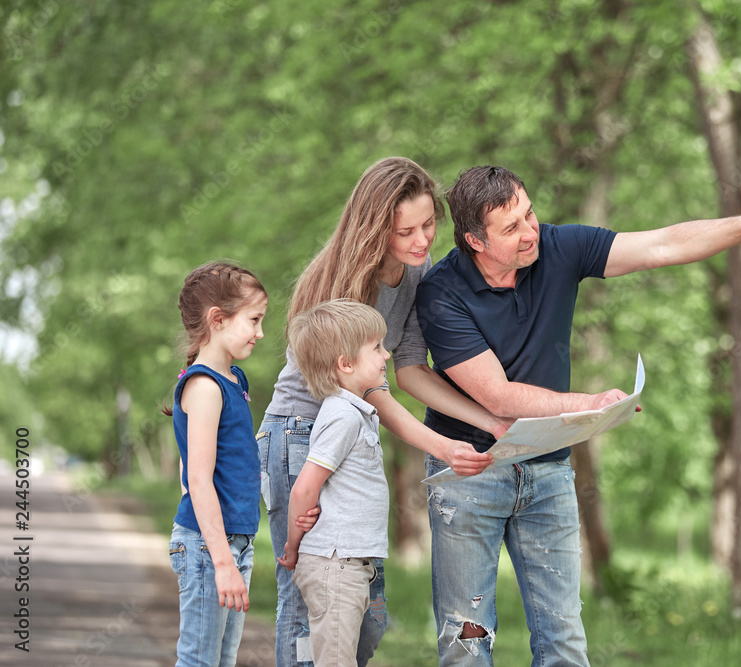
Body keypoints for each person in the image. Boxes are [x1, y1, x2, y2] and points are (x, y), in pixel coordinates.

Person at [415, 165, 741, 665]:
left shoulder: (559, 248)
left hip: (548, 472)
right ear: (474, 239)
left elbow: (662, 245)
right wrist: (590, 403)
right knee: (467, 644)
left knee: (564, 643)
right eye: (510, 228)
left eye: (529, 213)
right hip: (470, 472)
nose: (529, 231)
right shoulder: (441, 290)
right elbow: (497, 396)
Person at [259, 157, 507, 667]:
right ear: (374, 230)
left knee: (363, 607)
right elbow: (370, 392)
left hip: (351, 431)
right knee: (310, 596)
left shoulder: (415, 276)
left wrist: (490, 423)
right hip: (302, 434)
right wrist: (441, 445)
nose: (422, 241)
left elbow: (411, 371)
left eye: (428, 224)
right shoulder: (342, 283)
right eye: (405, 231)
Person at [275, 299, 393, 666]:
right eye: (376, 348)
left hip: (350, 563)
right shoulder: (342, 416)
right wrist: (292, 546)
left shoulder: (356, 412)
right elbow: (304, 488)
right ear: (345, 364)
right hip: (334, 566)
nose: (386, 355)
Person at [165, 261, 268, 667]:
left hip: (234, 543)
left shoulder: (234, 380)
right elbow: (196, 478)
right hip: (211, 547)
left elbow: (186, 465)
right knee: (199, 660)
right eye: (254, 320)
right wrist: (221, 559)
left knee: (223, 660)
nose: (261, 332)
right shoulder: (205, 386)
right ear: (218, 319)